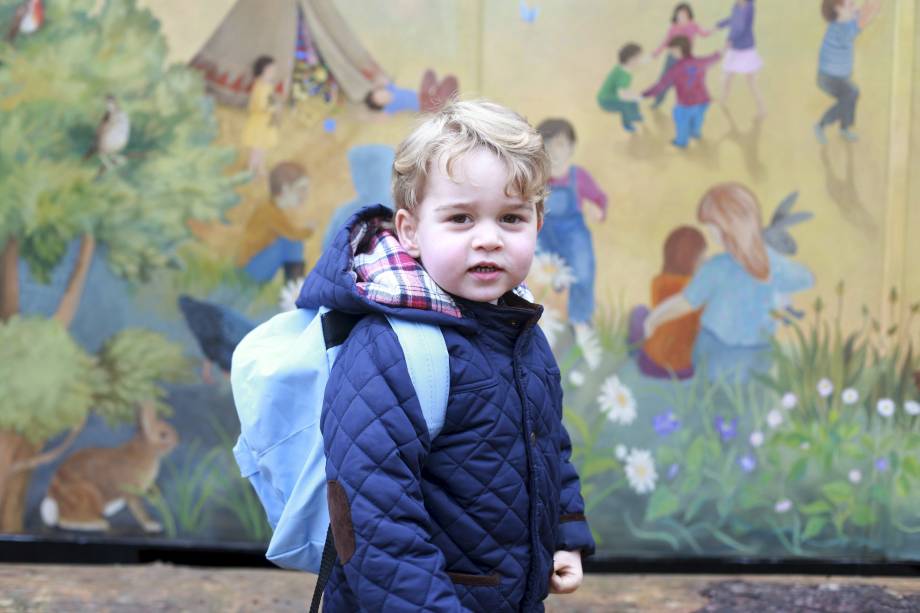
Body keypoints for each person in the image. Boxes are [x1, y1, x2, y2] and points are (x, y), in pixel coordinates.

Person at [295, 100, 594, 611]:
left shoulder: (519, 328)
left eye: (511, 218)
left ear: (538, 222)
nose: (488, 240)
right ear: (410, 230)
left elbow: (545, 443)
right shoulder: (390, 348)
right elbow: (375, 521)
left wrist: (564, 534)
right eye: (460, 218)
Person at [643, 183, 814, 383]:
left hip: (716, 349)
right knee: (745, 403)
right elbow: (806, 278)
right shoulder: (772, 263)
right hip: (758, 353)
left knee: (712, 398)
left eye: (712, 227)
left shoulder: (717, 267)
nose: (711, 234)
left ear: (728, 226)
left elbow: (686, 302)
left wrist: (654, 318)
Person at [536, 119, 608, 333]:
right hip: (544, 234)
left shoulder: (579, 177)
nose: (554, 151)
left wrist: (597, 209)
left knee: (583, 273)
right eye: (547, 145)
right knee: (537, 270)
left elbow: (599, 198)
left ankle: (580, 320)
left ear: (571, 147)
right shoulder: (537, 177)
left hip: (574, 235)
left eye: (560, 144)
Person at [628, 226, 707, 379]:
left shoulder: (658, 282)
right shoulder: (697, 293)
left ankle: (633, 351)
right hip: (684, 372)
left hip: (649, 364)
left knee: (640, 312)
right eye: (703, 258)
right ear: (693, 260)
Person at [814, 0, 882, 144]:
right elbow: (862, 21)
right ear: (838, 9)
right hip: (829, 78)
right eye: (851, 5)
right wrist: (872, 10)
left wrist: (871, 5)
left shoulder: (846, 19)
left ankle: (844, 128)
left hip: (837, 77)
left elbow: (863, 10)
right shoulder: (841, 29)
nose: (855, 8)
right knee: (851, 94)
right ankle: (821, 125)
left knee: (850, 96)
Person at [237, 161, 313, 283]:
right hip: (249, 270)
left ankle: (294, 290)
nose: (305, 195)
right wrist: (309, 230)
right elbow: (293, 234)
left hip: (253, 266)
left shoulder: (273, 208)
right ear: (285, 188)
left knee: (291, 242)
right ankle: (294, 290)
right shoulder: (269, 211)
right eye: (301, 189)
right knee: (292, 242)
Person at [642, 36, 721, 149]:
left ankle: (681, 142)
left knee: (681, 122)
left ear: (678, 50)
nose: (670, 53)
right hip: (703, 101)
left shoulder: (675, 69)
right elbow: (714, 58)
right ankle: (695, 134)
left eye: (672, 50)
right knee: (698, 118)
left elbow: (660, 86)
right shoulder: (701, 62)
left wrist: (643, 94)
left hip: (686, 104)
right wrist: (720, 52)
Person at [650, 3, 713, 109]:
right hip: (671, 59)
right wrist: (656, 52)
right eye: (679, 15)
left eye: (684, 14)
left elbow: (704, 34)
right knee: (664, 80)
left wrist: (714, 29)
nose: (681, 17)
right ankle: (658, 100)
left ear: (689, 15)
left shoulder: (694, 25)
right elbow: (666, 42)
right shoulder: (673, 27)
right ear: (676, 15)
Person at [717, 0, 766, 117]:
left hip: (746, 48)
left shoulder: (749, 7)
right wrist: (721, 24)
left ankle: (762, 109)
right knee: (727, 76)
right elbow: (733, 20)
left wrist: (729, 40)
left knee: (751, 81)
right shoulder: (736, 6)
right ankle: (723, 101)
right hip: (735, 48)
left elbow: (741, 27)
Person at [242, 55, 281, 176]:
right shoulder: (260, 86)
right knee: (257, 147)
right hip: (259, 121)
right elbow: (261, 105)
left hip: (266, 121)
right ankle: (250, 168)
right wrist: (274, 107)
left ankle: (260, 167)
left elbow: (270, 99)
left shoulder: (267, 84)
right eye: (271, 70)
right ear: (264, 71)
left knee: (263, 146)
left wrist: (275, 105)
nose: (274, 72)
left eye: (274, 70)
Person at [597, 43, 645, 133]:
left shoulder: (621, 66)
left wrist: (634, 96)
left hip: (610, 95)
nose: (640, 60)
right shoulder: (625, 76)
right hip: (606, 101)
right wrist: (636, 97)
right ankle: (627, 125)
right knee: (626, 106)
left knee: (633, 99)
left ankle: (636, 116)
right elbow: (622, 96)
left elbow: (622, 90)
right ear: (631, 60)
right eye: (639, 57)